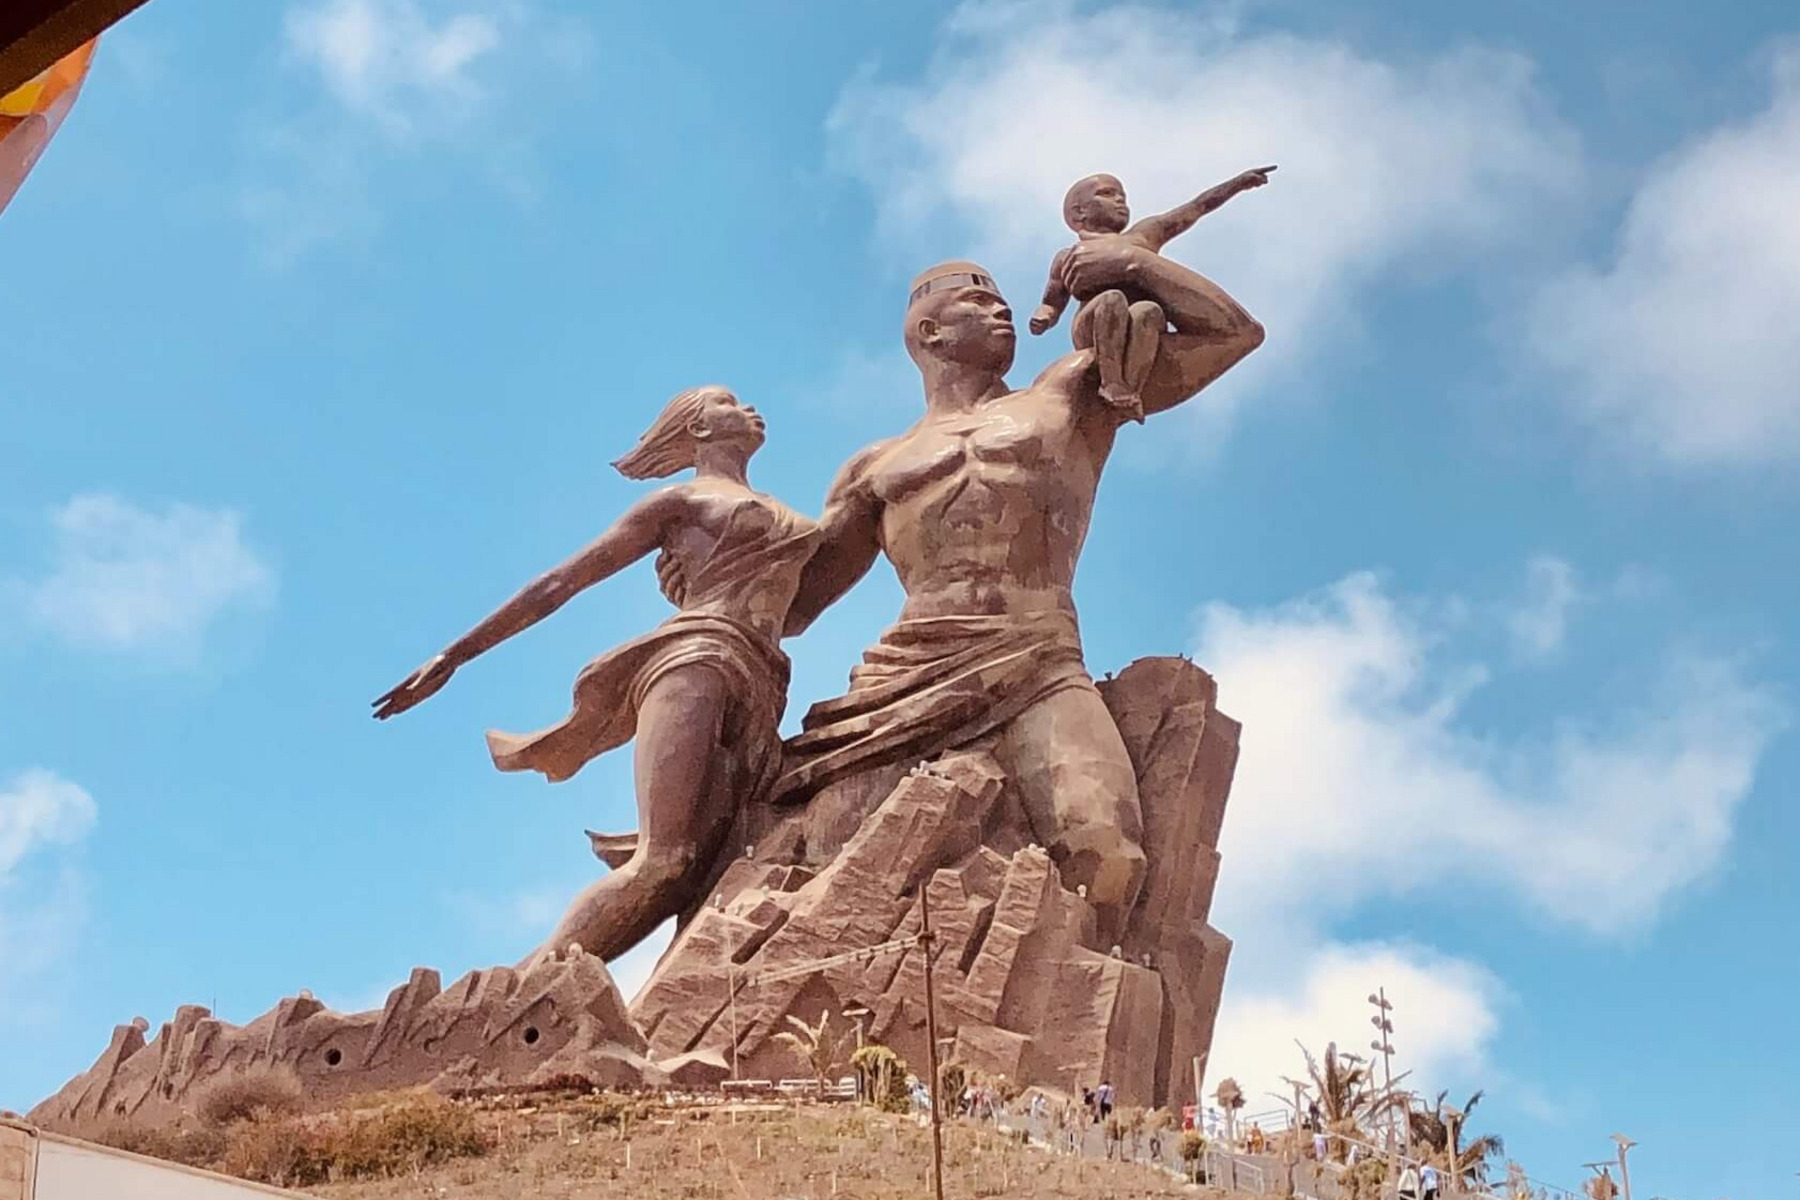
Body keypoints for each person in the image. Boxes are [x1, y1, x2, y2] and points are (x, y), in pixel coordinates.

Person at [774, 233, 1265, 942]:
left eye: (1005, 302)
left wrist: (1134, 265)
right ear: (930, 332)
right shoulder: (875, 466)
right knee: (827, 859)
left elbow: (1234, 334)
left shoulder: (1069, 393)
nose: (1003, 312)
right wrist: (724, 559)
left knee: (1109, 857)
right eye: (980, 302)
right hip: (905, 676)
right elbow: (792, 608)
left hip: (1036, 657)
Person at [373, 386, 817, 966]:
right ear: (698, 429)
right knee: (664, 859)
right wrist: (455, 656)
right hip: (698, 659)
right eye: (728, 401)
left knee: (705, 870)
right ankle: (525, 992)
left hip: (764, 684)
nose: (750, 407)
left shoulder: (786, 512)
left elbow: (804, 609)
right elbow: (563, 582)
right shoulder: (682, 501)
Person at [1030, 167, 1274, 419]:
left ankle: (1129, 390)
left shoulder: (1141, 236)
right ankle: (1111, 381)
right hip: (1094, 324)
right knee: (1112, 299)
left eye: (1122, 196)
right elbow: (1053, 298)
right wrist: (1044, 316)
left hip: (1137, 328)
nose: (1119, 201)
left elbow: (1193, 209)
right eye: (1107, 194)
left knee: (1149, 311)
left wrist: (1236, 184)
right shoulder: (1067, 256)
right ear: (1079, 213)